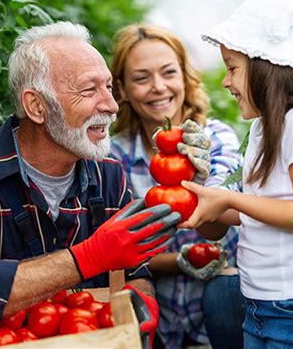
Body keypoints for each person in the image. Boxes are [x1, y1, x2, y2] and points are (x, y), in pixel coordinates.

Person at [0, 21, 182, 346]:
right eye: (89, 90)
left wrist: (142, 304)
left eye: (109, 88)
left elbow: (135, 272)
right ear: (36, 106)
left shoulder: (108, 171)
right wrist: (90, 256)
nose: (112, 106)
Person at [180, 0, 293, 347]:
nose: (225, 82)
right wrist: (208, 201)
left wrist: (230, 197)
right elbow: (267, 206)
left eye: (232, 68)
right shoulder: (267, 126)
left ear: (270, 66)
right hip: (263, 303)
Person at [110, 24, 245, 349]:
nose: (158, 87)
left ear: (184, 76)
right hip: (158, 323)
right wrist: (180, 261)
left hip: (221, 316)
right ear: (123, 89)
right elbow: (115, 254)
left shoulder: (217, 138)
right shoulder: (114, 157)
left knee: (223, 295)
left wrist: (199, 180)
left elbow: (221, 229)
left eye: (169, 73)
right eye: (141, 78)